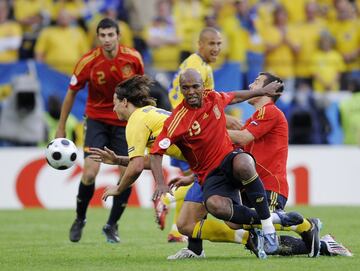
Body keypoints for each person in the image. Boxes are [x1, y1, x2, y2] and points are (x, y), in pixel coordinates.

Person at [166, 72, 351, 259]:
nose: (251, 85)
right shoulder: (255, 118)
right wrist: (192, 176)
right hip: (251, 186)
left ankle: (305, 225)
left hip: (269, 186)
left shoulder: (269, 111)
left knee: (259, 225)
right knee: (241, 226)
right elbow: (223, 154)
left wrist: (207, 129)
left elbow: (243, 137)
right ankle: (325, 245)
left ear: (268, 91)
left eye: (256, 82)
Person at [150, 68, 284, 258]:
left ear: (203, 87)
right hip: (209, 175)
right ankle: (285, 221)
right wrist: (161, 183)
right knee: (217, 208)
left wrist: (262, 91)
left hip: (229, 160)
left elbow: (236, 96)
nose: (191, 92)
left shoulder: (212, 97)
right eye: (185, 88)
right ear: (180, 89)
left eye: (195, 86)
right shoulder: (177, 120)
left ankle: (268, 226)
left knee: (244, 163)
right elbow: (156, 152)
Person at [55, 18, 144, 243]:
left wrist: (144, 121)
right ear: (97, 37)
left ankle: (112, 225)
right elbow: (71, 92)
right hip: (96, 120)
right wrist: (61, 126)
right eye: (102, 35)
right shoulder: (88, 61)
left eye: (110, 35)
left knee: (127, 176)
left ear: (118, 36)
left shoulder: (133, 58)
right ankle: (80, 218)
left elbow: (141, 90)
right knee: (89, 173)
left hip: (125, 123)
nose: (106, 39)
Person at [163, 26, 243, 243]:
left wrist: (224, 118)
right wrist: (223, 122)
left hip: (188, 129)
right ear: (200, 45)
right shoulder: (196, 67)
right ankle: (165, 203)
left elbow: (207, 104)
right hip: (188, 132)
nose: (216, 48)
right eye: (211, 44)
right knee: (201, 179)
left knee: (197, 180)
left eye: (219, 44)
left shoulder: (201, 65)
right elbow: (193, 105)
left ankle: (178, 232)